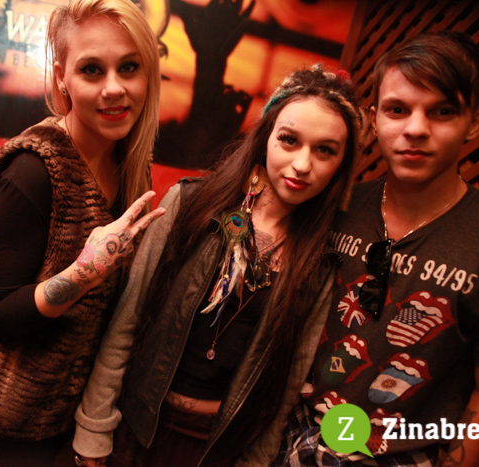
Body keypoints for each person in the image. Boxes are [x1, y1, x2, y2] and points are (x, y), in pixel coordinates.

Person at [72, 65, 367, 467]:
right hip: (135, 429)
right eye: (289, 140)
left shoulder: (319, 262)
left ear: (340, 164)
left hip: (215, 449)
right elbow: (127, 321)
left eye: (325, 150)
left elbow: (285, 387)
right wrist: (94, 430)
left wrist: (257, 463)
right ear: (266, 138)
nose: (302, 164)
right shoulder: (189, 205)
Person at [277, 31, 479, 466]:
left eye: (442, 112)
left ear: (475, 120)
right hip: (290, 437)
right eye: (398, 109)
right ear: (373, 120)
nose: (415, 129)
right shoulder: (337, 205)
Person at [0, 1, 162, 466]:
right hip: (10, 421)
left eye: (129, 67)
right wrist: (85, 272)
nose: (114, 88)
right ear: (62, 77)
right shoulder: (33, 169)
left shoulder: (130, 164)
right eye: (92, 70)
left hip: (73, 417)